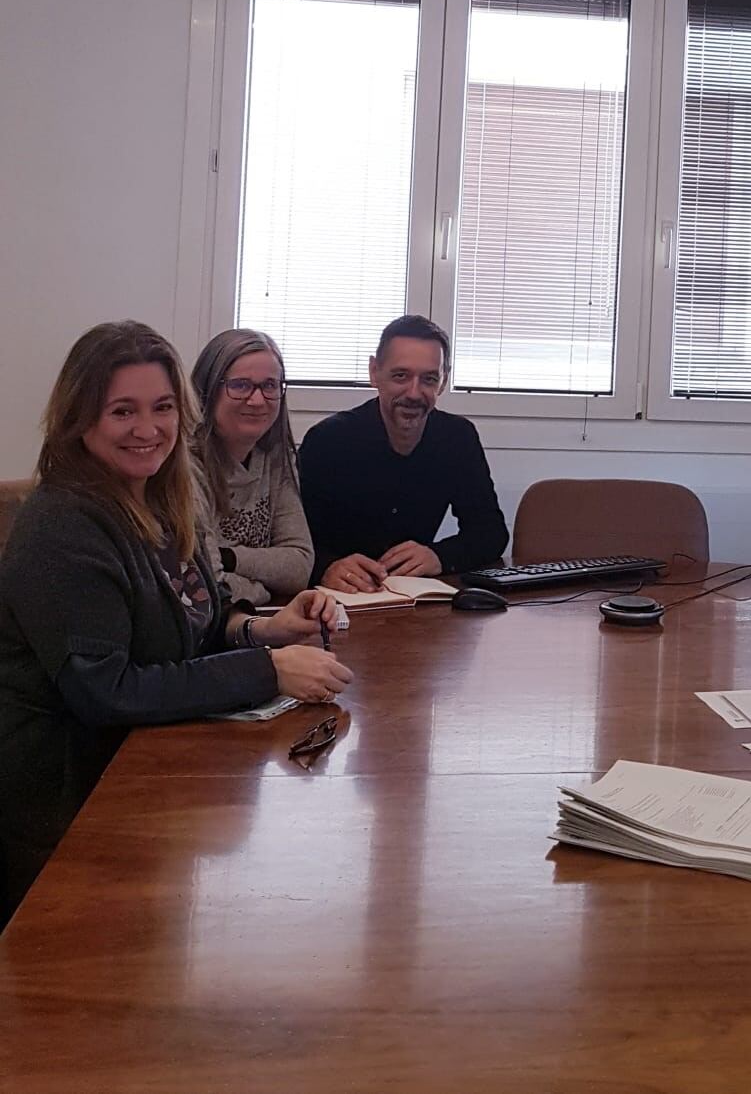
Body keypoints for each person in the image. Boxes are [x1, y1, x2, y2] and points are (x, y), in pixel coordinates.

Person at [0, 322, 352, 918]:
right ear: (80, 419)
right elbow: (106, 690)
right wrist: (265, 671)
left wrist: (262, 630)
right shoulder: (63, 525)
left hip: (135, 772)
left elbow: (184, 625)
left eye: (163, 407)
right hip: (62, 807)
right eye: (122, 411)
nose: (148, 429)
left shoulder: (157, 499)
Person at [299, 315, 508, 593]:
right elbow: (293, 542)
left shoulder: (458, 438)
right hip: (341, 599)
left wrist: (439, 556)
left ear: (443, 382)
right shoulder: (327, 440)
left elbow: (491, 533)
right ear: (374, 372)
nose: (414, 392)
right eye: (401, 376)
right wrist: (327, 566)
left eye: (429, 379)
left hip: (416, 604)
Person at [191, 328, 313, 605]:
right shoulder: (183, 465)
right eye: (240, 385)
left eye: (269, 385)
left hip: (259, 624)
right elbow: (206, 584)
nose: (257, 400)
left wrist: (229, 557)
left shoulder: (276, 456)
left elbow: (300, 565)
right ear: (208, 390)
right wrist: (263, 590)